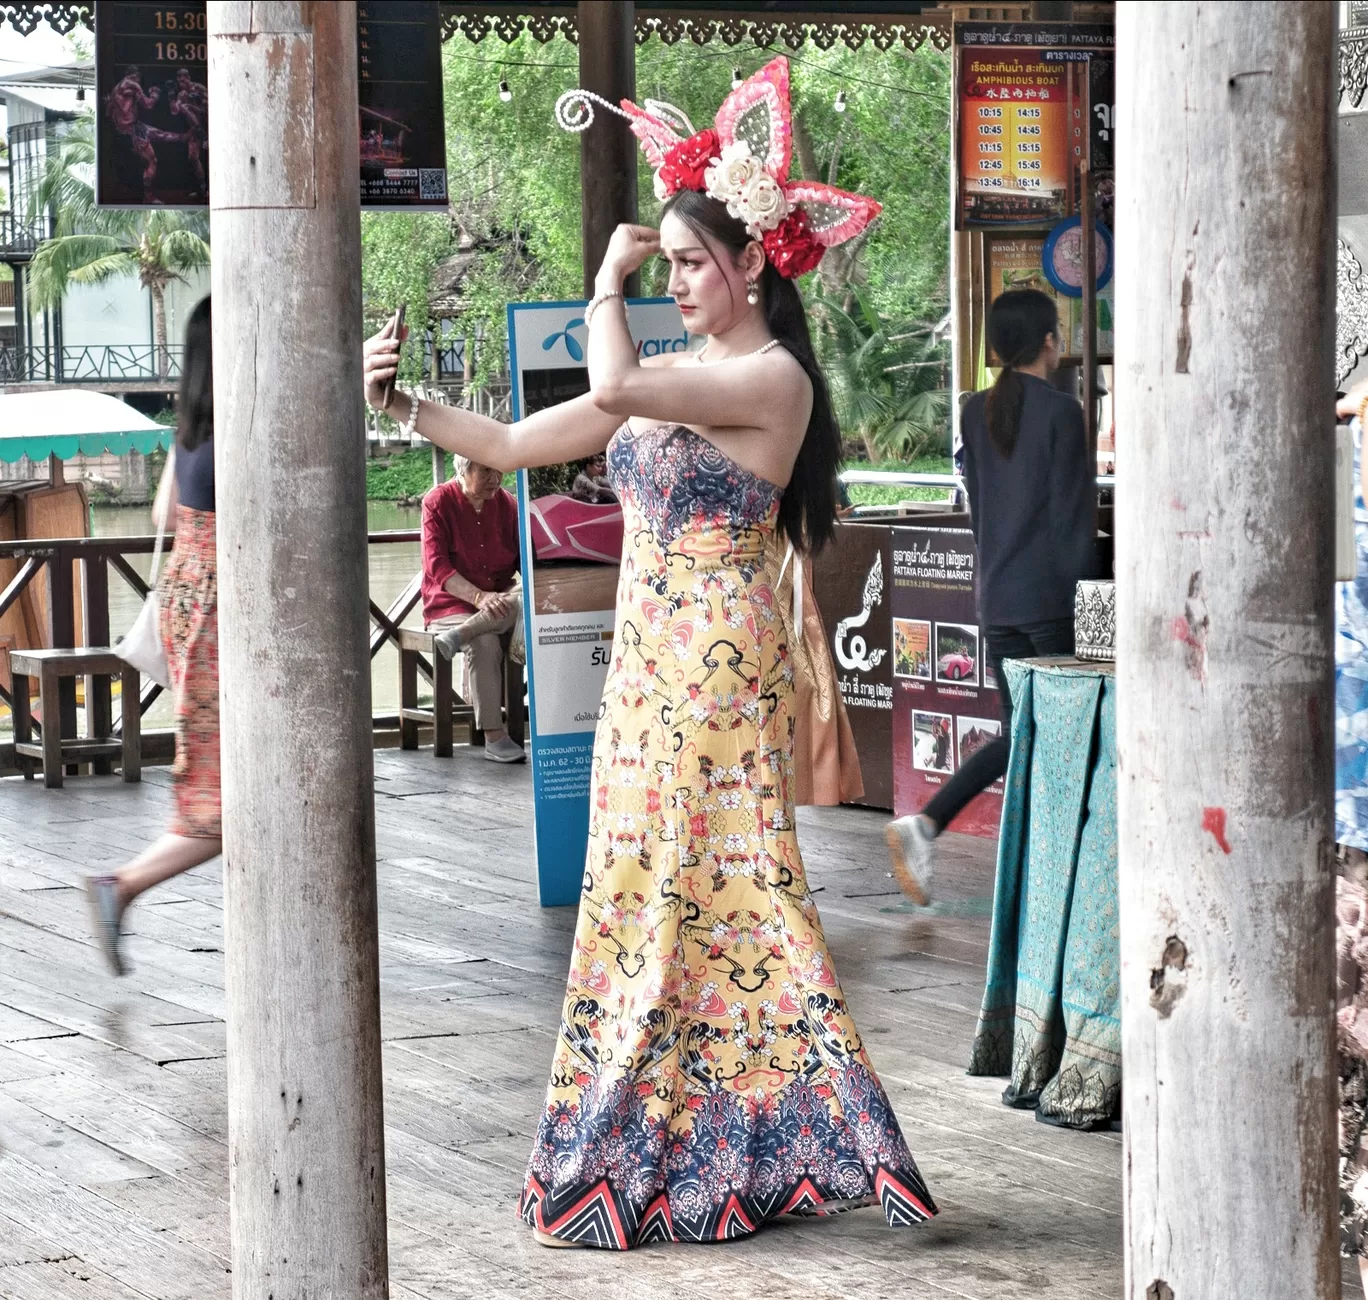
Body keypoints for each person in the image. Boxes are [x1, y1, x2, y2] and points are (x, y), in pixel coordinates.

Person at [363, 57, 935, 1249]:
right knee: (645, 888)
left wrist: (604, 279)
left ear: (756, 264)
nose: (674, 281)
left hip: (718, 655)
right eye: (666, 261)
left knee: (720, 883)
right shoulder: (683, 378)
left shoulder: (769, 380)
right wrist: (405, 404)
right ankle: (685, 1146)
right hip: (648, 659)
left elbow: (612, 376)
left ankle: (744, 1139)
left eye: (690, 263)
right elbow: (518, 440)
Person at [885, 289, 1096, 904]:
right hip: (1052, 603)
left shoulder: (976, 411)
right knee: (1057, 740)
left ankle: (930, 825)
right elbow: (1072, 523)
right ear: (1049, 342)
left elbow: (983, 511)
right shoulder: (1061, 413)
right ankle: (1056, 877)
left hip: (998, 600)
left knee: (1024, 734)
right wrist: (1089, 611)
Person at [85, 298, 219, 973]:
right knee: (223, 801)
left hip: (188, 599)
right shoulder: (239, 432)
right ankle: (124, 883)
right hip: (224, 613)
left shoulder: (191, 431)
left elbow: (168, 508)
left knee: (222, 785)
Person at [421, 456, 525, 762]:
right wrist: (479, 597)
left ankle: (460, 635)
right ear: (462, 470)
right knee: (484, 640)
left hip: (502, 601)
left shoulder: (509, 505)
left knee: (520, 597)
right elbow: (437, 566)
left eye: (498, 469)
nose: (495, 478)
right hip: (450, 605)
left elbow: (526, 564)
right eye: (485, 470)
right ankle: (494, 737)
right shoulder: (437, 502)